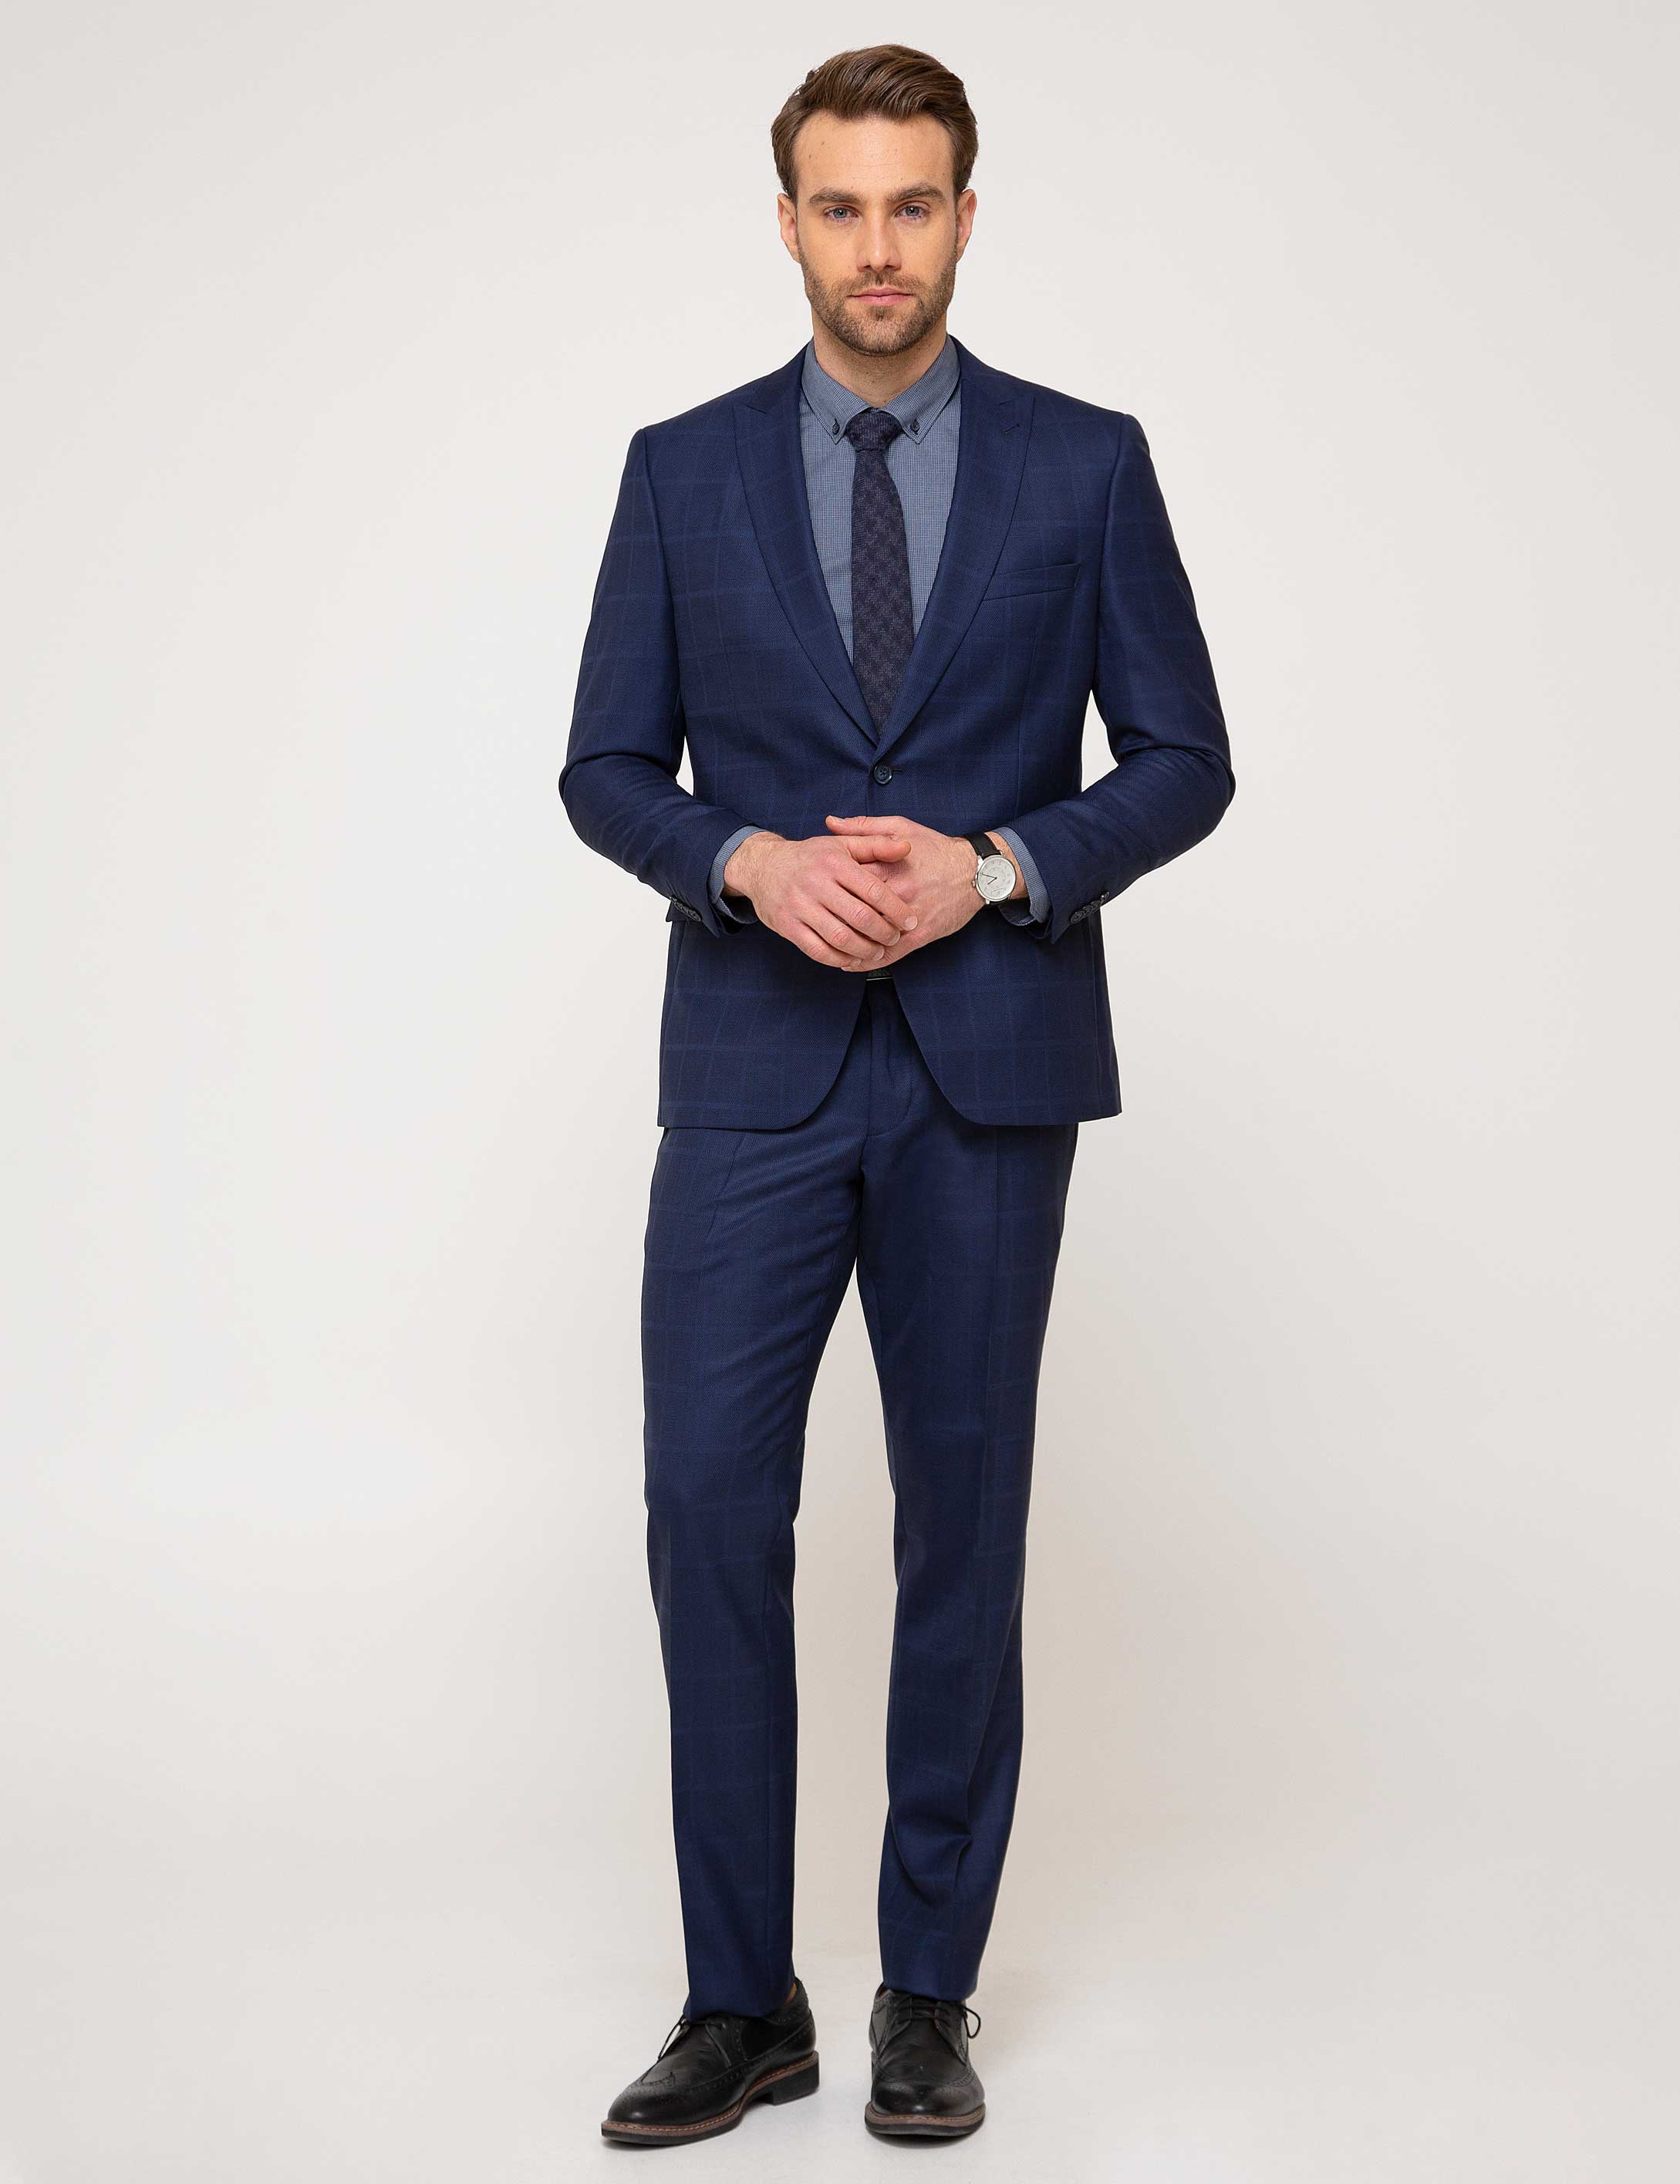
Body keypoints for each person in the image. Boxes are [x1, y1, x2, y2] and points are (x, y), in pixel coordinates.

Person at [559, 41, 1234, 2149]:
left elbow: (1184, 758)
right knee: (705, 1511)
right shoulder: (679, 470)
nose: (877, 246)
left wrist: (1001, 866)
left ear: (963, 216)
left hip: (984, 1071)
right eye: (840, 206)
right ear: (787, 222)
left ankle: (925, 1989)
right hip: (750, 1077)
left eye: (912, 205)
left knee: (961, 1526)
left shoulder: (1083, 465)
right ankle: (738, 1997)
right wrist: (743, 865)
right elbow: (603, 767)